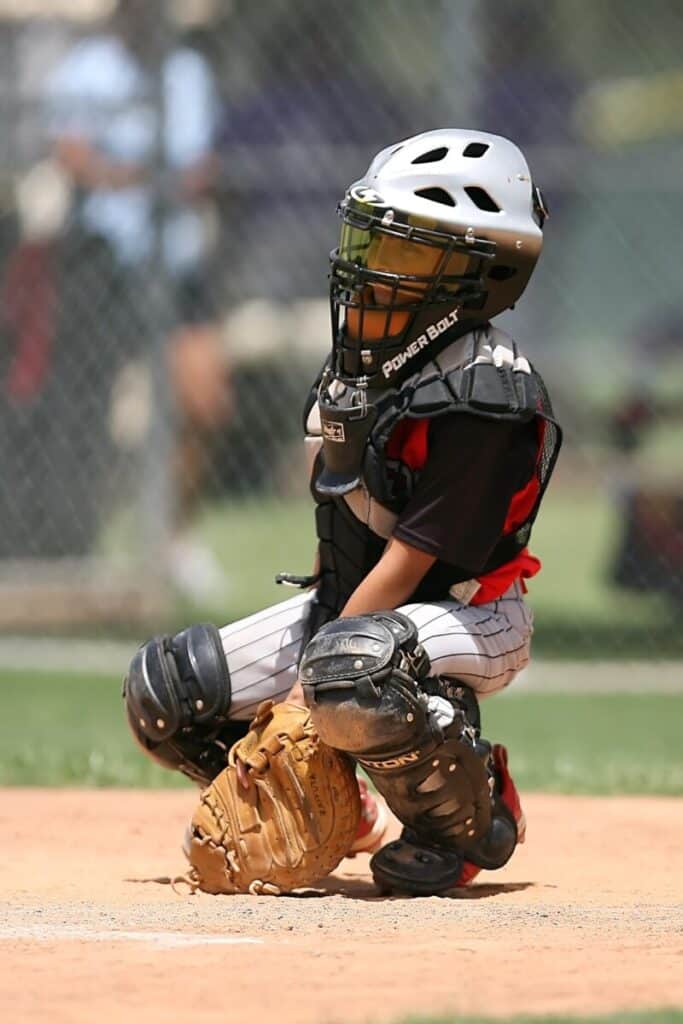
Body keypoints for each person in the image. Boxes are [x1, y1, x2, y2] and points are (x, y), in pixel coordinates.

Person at [124, 129, 562, 894]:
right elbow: (342, 528)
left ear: (476, 271)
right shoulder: (366, 359)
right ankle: (340, 800)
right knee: (168, 693)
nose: (372, 267)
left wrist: (301, 691)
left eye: (407, 253)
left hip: (475, 613)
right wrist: (311, 673)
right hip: (358, 606)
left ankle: (472, 819)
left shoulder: (484, 394)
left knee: (347, 667)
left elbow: (410, 564)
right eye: (373, 242)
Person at [44, 0, 232, 599]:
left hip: (175, 261)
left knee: (205, 400)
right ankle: (76, 542)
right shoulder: (85, 69)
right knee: (82, 414)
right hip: (104, 259)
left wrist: (145, 176)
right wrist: (145, 177)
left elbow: (199, 167)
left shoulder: (187, 71)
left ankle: (171, 538)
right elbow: (73, 157)